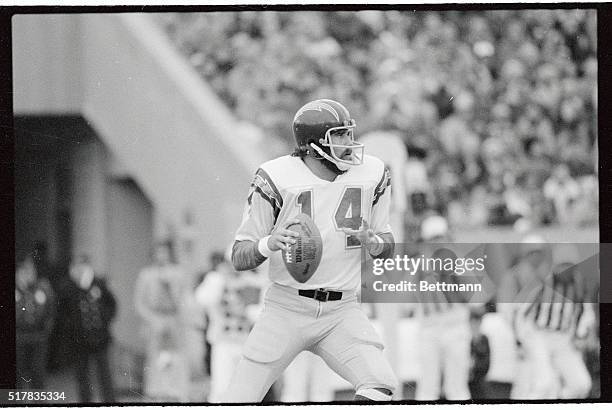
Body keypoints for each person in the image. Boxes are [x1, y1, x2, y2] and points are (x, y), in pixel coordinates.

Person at [221, 99, 398, 402]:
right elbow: (239, 254)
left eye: (349, 133)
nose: (349, 143)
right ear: (313, 145)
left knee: (380, 385)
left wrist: (375, 243)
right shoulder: (276, 177)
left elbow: (387, 244)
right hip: (286, 308)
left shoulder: (373, 173)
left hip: (342, 309)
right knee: (238, 398)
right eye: (339, 136)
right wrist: (268, 243)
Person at [194, 252, 267, 402]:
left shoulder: (256, 282)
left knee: (246, 390)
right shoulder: (217, 280)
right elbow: (202, 299)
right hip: (223, 341)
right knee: (221, 387)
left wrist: (247, 310)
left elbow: (264, 313)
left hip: (248, 343)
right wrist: (216, 281)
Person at [134, 241, 190, 402]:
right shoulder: (146, 274)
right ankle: (155, 392)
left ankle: (176, 391)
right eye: (158, 252)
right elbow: (139, 302)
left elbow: (184, 298)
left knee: (177, 357)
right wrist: (152, 319)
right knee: (155, 358)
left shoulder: (178, 273)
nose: (161, 256)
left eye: (164, 252)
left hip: (174, 318)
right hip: (155, 319)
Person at [63, 255, 117, 402]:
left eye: (82, 265)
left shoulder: (99, 283)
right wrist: (72, 328)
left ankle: (110, 402)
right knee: (82, 376)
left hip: (100, 338)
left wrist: (104, 320)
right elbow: (64, 311)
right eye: (76, 266)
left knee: (104, 375)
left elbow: (112, 304)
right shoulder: (70, 287)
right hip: (80, 340)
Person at [15, 254, 56, 390]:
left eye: (32, 269)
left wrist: (46, 331)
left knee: (38, 376)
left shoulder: (43, 288)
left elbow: (51, 310)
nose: (30, 273)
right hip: (19, 339)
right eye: (25, 270)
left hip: (39, 338)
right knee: (18, 376)